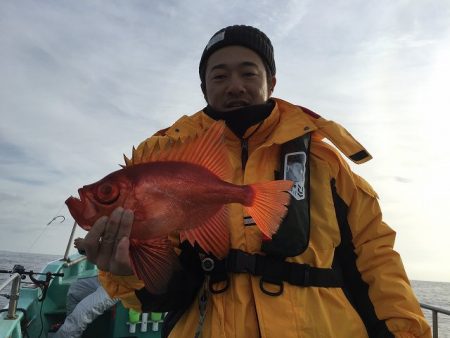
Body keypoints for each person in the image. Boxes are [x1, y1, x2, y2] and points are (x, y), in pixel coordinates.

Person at [80, 25, 431, 337]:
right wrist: (125, 271)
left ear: (271, 81)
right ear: (204, 87)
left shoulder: (326, 163)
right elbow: (165, 293)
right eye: (219, 77)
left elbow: (376, 255)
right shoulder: (166, 155)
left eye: (248, 73)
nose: (235, 86)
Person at [54, 238, 118, 338]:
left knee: (82, 313)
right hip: (109, 278)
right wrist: (86, 248)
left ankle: (67, 332)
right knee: (75, 290)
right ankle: (71, 332)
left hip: (124, 284)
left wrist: (88, 245)